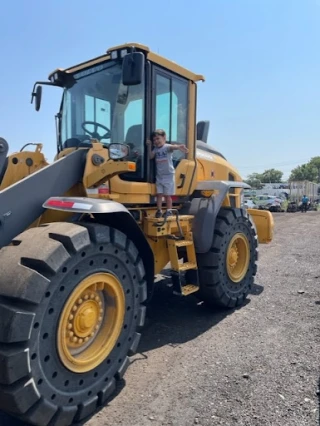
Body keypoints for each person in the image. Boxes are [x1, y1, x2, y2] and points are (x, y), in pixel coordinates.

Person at [146, 129, 189, 218]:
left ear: (164, 137)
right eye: (154, 140)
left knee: (167, 195)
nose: (156, 141)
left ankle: (169, 210)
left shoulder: (166, 147)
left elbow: (172, 147)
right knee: (159, 194)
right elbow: (150, 156)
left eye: (158, 139)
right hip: (160, 176)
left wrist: (179, 147)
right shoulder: (156, 149)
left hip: (168, 175)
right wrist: (149, 145)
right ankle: (159, 210)